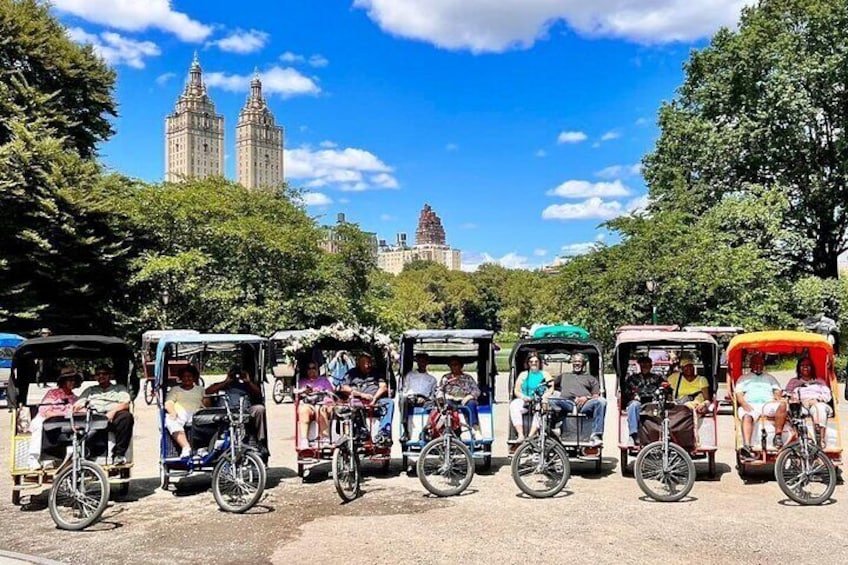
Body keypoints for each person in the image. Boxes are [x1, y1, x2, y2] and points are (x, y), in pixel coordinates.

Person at [75, 364, 134, 465]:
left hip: (112, 417)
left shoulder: (119, 388)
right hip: (94, 416)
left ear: (110, 376)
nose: (101, 376)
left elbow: (125, 403)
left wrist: (112, 412)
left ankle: (118, 454)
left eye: (104, 374)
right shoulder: (90, 390)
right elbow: (78, 404)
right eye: (98, 374)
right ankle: (84, 454)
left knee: (126, 417)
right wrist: (82, 407)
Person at [736, 352, 787, 459]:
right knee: (747, 416)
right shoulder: (744, 378)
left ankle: (777, 436)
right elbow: (739, 395)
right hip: (751, 404)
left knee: (782, 405)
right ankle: (747, 446)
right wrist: (744, 404)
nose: (758, 366)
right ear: (750, 365)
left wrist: (777, 397)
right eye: (755, 363)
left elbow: (777, 390)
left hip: (767, 404)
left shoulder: (770, 377)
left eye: (760, 363)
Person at [27, 366, 81, 469]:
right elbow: (45, 411)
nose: (72, 382)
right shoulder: (52, 393)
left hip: (63, 422)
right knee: (39, 426)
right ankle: (33, 459)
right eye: (69, 380)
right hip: (46, 419)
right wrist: (61, 413)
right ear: (63, 381)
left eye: (74, 380)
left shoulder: (75, 398)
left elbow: (76, 412)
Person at [550, 353, 606, 447]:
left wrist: (586, 398)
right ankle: (552, 429)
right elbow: (550, 383)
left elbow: (596, 396)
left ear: (583, 363)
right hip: (566, 403)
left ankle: (596, 435)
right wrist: (551, 391)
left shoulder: (591, 378)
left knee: (602, 401)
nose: (577, 363)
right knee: (550, 400)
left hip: (584, 405)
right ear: (572, 363)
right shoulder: (564, 375)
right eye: (575, 361)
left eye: (579, 361)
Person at [205, 365, 267, 449]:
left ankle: (261, 441)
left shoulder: (246, 385)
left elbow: (258, 394)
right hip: (225, 412)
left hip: (245, 410)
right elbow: (207, 392)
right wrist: (226, 382)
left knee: (260, 409)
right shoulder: (221, 385)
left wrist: (248, 382)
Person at [339, 353, 393, 446]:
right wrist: (362, 395)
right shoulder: (351, 373)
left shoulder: (376, 373)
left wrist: (375, 398)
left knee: (389, 402)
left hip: (375, 400)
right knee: (352, 405)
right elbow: (344, 388)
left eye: (369, 363)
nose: (367, 365)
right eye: (364, 363)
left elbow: (383, 387)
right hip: (358, 400)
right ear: (358, 363)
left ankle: (384, 433)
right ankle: (362, 431)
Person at [785, 357, 832, 447]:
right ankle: (801, 440)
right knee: (793, 410)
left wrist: (817, 400)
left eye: (808, 365)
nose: (805, 367)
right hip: (801, 404)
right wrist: (792, 398)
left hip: (816, 403)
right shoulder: (794, 382)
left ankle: (820, 440)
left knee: (819, 409)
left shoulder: (819, 381)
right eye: (802, 365)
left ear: (812, 368)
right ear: (799, 368)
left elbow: (827, 395)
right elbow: (787, 393)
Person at [509, 354, 553, 443]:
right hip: (526, 399)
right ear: (528, 363)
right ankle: (520, 434)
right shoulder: (523, 375)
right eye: (531, 362)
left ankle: (530, 436)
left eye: (536, 361)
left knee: (540, 408)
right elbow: (516, 390)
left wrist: (544, 396)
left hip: (539, 400)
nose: (534, 363)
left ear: (539, 363)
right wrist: (523, 397)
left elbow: (551, 388)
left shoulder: (545, 374)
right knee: (514, 405)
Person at [623, 356, 666, 445]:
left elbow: (666, 389)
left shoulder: (658, 378)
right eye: (642, 364)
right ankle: (633, 435)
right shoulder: (632, 378)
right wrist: (633, 396)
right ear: (639, 365)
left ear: (651, 366)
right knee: (633, 405)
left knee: (665, 407)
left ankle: (664, 436)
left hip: (654, 402)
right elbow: (626, 392)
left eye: (647, 364)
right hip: (638, 402)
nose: (645, 366)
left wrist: (665, 388)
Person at [164, 365, 205, 458]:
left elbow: (206, 401)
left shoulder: (200, 389)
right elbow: (168, 403)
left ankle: (201, 448)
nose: (187, 379)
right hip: (180, 412)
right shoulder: (175, 390)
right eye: (184, 376)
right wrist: (172, 412)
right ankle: (186, 447)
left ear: (194, 377)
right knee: (170, 420)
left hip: (196, 412)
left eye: (190, 376)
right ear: (181, 378)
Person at [439, 356, 484, 440]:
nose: (454, 367)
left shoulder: (468, 378)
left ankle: (475, 429)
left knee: (472, 403)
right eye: (452, 365)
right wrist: (443, 397)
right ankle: (450, 430)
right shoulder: (446, 378)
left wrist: (469, 396)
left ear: (461, 366)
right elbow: (440, 390)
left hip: (465, 399)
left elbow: (477, 391)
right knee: (446, 406)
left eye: (456, 364)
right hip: (450, 399)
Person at [400, 352, 438, 442]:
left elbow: (433, 394)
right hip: (411, 398)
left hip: (425, 400)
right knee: (403, 401)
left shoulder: (432, 379)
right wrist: (411, 397)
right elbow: (405, 390)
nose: (422, 363)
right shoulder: (410, 375)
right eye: (420, 361)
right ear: (417, 362)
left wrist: (425, 398)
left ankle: (427, 431)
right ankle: (405, 431)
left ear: (427, 362)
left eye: (424, 361)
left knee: (435, 406)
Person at [296, 362, 334, 448]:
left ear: (317, 370)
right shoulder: (302, 382)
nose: (311, 370)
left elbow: (331, 393)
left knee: (321, 410)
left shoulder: (324, 380)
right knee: (303, 410)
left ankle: (325, 438)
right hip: (309, 403)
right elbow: (297, 393)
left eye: (314, 368)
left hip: (323, 403)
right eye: (309, 368)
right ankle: (304, 440)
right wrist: (303, 391)